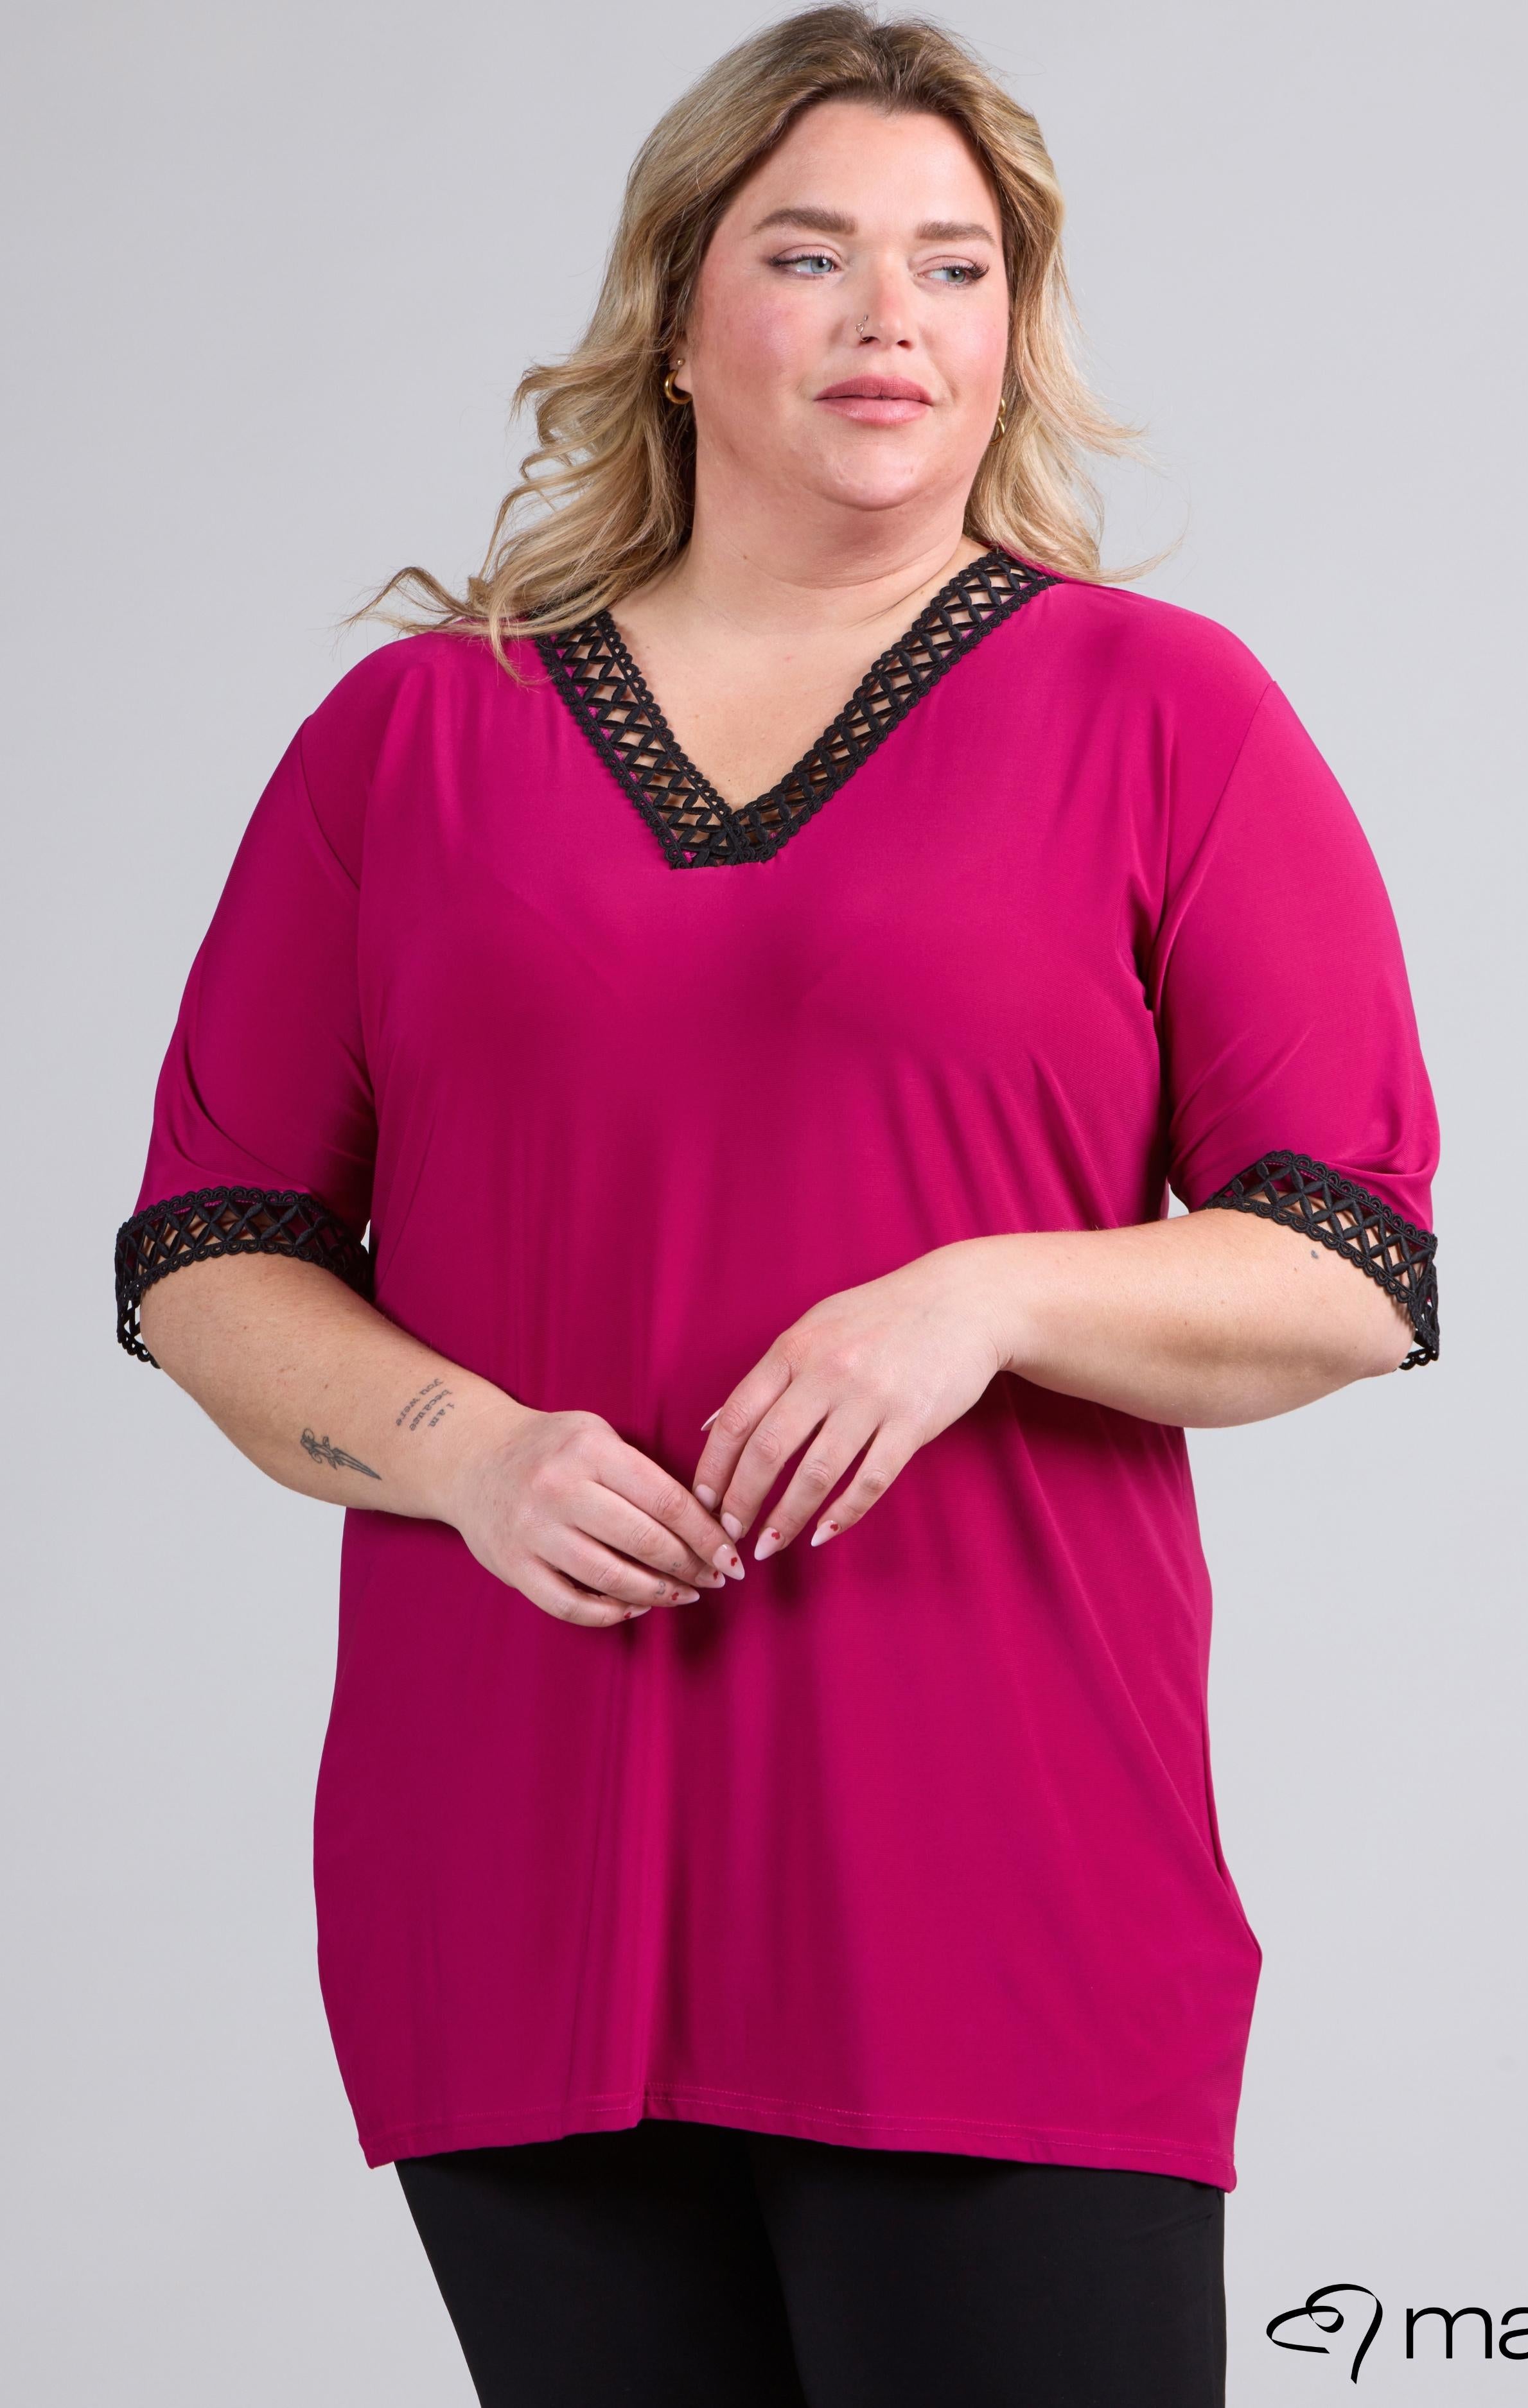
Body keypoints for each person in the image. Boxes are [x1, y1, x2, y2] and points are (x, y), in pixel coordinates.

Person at [114, 8, 1439, 2402]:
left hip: (998, 1892)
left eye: (954, 264)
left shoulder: (1166, 712)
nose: (887, 318)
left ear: (1013, 329)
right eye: (810, 253)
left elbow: (1347, 1261)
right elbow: (208, 1252)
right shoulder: (414, 740)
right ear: (675, 314)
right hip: (514, 1896)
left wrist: (986, 1296)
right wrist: (463, 1450)